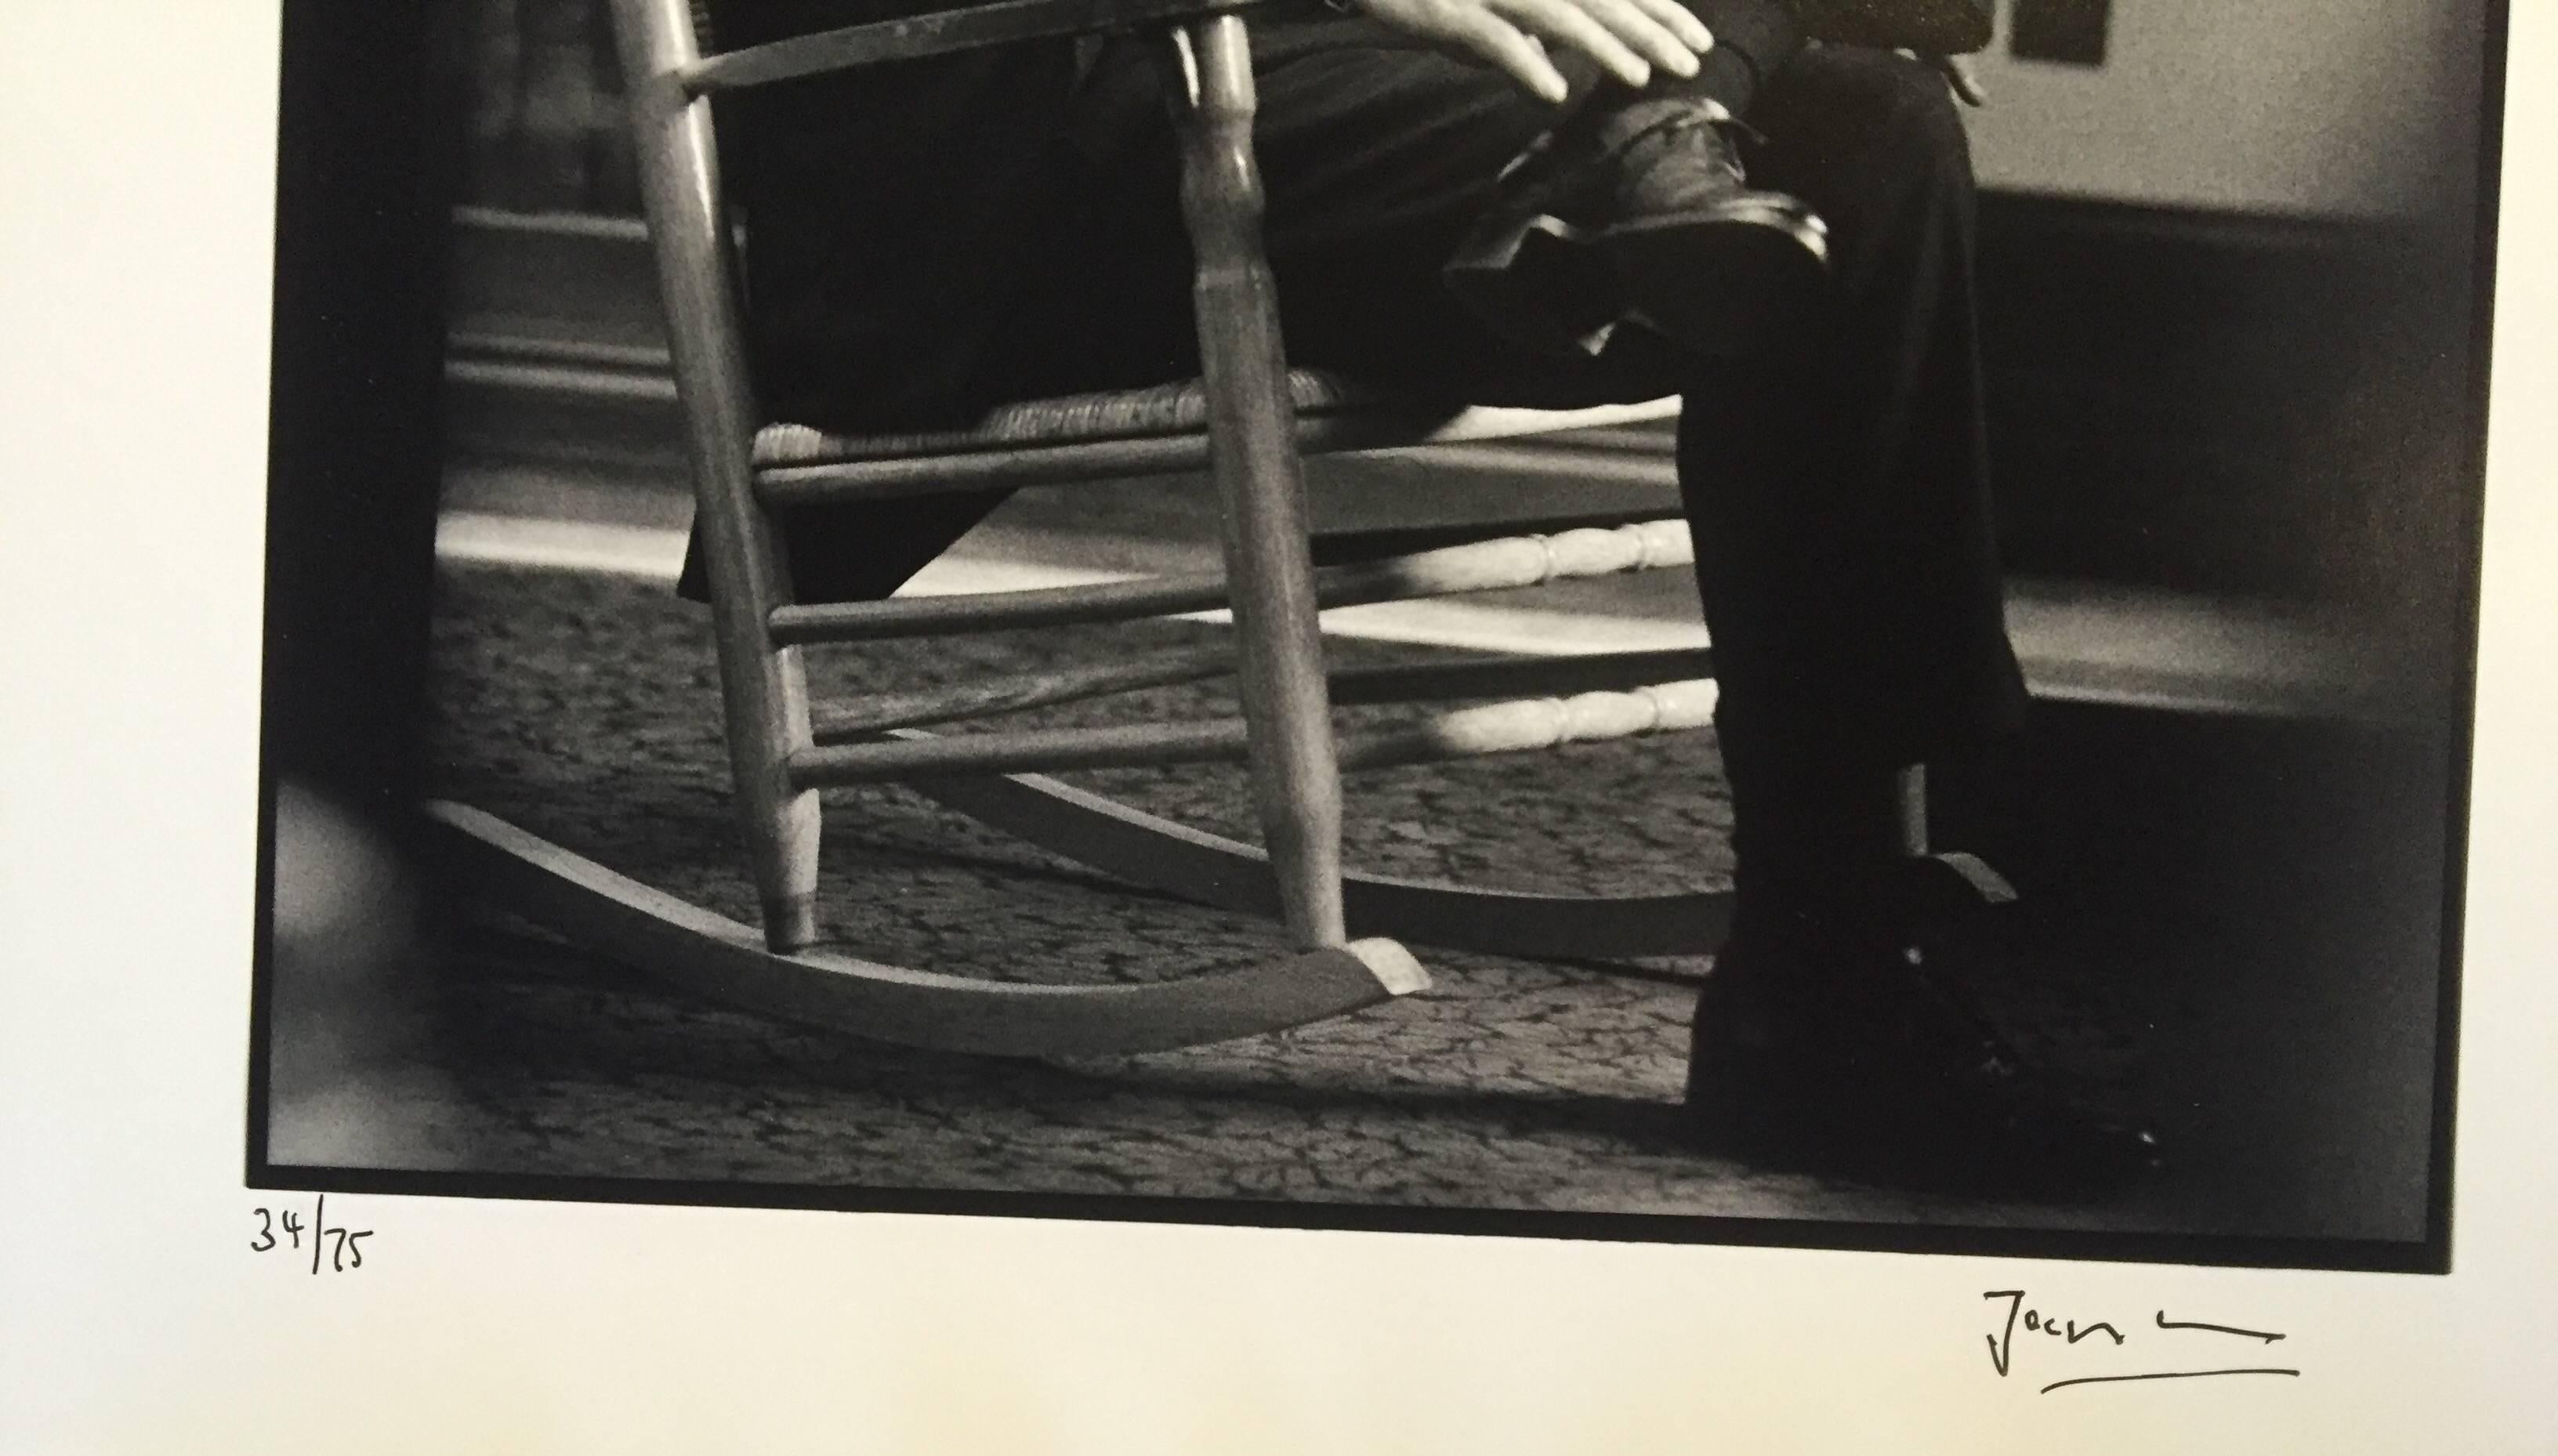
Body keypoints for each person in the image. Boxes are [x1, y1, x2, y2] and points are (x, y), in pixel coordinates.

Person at [711, 0, 2162, 1193]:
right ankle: (1647, 144)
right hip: (1039, 112)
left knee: (1880, 131)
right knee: (1792, 68)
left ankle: (1829, 954)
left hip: (1329, 87)